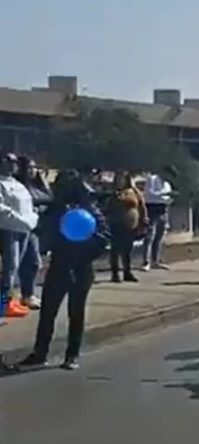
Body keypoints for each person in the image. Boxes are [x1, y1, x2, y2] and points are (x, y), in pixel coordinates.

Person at [17, 170, 109, 370]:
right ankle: (40, 353)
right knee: (48, 312)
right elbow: (43, 231)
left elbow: (103, 238)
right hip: (59, 264)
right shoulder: (56, 209)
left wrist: (86, 250)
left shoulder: (90, 210)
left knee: (76, 312)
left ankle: (72, 355)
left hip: (81, 267)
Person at [0, 152, 39, 318]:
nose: (12, 164)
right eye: (8, 161)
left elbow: (30, 206)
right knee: (10, 267)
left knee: (19, 266)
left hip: (24, 229)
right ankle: (1, 306)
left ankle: (9, 301)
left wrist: (32, 219)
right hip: (8, 229)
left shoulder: (17, 183)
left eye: (14, 162)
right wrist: (21, 220)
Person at [14, 156, 51, 310]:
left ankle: (27, 295)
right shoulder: (16, 185)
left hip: (32, 229)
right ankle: (4, 304)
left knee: (34, 262)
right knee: (11, 267)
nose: (32, 171)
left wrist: (42, 181)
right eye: (29, 168)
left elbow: (49, 198)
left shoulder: (36, 184)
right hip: (14, 229)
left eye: (34, 168)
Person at [106, 171, 147, 283]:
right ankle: (115, 273)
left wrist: (143, 220)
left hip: (131, 225)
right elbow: (108, 208)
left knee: (127, 250)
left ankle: (127, 272)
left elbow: (141, 206)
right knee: (115, 249)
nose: (121, 181)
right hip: (116, 223)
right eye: (118, 179)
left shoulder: (134, 192)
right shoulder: (114, 193)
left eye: (122, 178)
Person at [141, 166, 175, 272]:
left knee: (159, 237)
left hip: (163, 210)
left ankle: (155, 260)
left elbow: (167, 199)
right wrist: (163, 195)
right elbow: (149, 194)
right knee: (149, 236)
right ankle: (146, 262)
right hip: (152, 209)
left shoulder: (167, 185)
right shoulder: (152, 179)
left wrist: (170, 198)